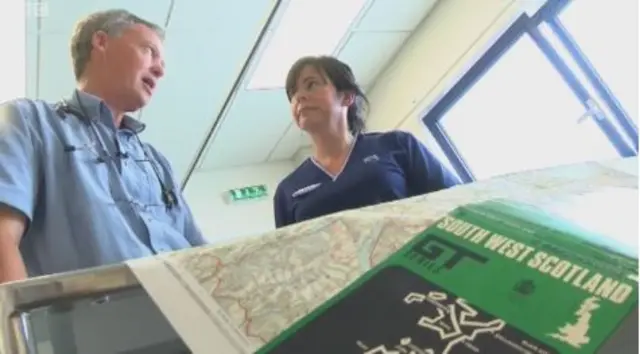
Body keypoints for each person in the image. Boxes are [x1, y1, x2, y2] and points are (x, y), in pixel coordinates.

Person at [0, 9, 207, 283]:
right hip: (92, 321)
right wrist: (18, 322)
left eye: (162, 61)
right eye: (149, 51)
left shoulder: (156, 161)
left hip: (187, 311)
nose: (160, 69)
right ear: (101, 41)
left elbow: (201, 253)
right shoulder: (29, 122)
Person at [273, 56, 461, 228]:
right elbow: (289, 258)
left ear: (347, 96)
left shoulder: (397, 145)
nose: (299, 97)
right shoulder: (287, 191)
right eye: (293, 93)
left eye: (311, 84)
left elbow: (458, 201)